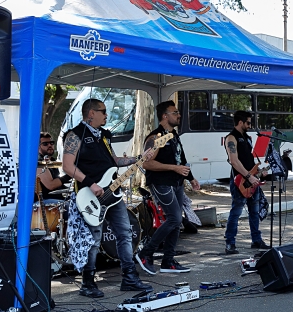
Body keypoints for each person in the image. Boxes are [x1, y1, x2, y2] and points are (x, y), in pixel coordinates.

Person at [62, 98, 156, 297]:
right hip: (89, 194)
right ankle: (88, 283)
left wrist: (138, 158)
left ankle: (129, 277)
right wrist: (90, 182)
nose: (106, 115)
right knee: (94, 239)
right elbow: (68, 166)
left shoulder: (104, 135)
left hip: (112, 193)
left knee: (125, 233)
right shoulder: (75, 135)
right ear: (91, 113)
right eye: (102, 111)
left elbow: (113, 160)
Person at [137, 101, 199, 275]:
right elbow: (147, 164)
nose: (178, 115)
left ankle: (168, 261)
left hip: (177, 182)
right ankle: (145, 254)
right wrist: (174, 168)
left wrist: (191, 178)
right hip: (162, 182)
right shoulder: (155, 138)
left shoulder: (173, 135)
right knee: (174, 219)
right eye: (175, 112)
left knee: (176, 221)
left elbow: (181, 160)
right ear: (165, 116)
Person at [224, 110, 269, 255]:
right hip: (240, 180)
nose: (250, 125)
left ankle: (256, 240)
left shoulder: (247, 138)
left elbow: (249, 160)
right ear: (240, 122)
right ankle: (230, 243)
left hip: (251, 178)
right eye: (248, 122)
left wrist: (260, 172)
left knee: (254, 212)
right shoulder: (231, 138)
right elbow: (234, 161)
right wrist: (249, 176)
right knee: (236, 212)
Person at [36, 131, 65, 199]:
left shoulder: (52, 161)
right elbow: (51, 185)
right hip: (44, 203)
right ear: (38, 147)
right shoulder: (38, 161)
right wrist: (71, 174)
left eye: (51, 143)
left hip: (56, 200)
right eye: (45, 144)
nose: (50, 145)